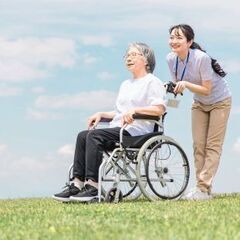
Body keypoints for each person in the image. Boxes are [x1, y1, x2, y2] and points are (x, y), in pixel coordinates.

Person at [53, 42, 166, 203]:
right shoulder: (126, 84)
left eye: (134, 55)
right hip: (119, 128)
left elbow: (159, 109)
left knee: (94, 136)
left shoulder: (152, 81)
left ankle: (93, 186)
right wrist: (102, 114)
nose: (129, 58)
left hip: (137, 132)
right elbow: (120, 112)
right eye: (127, 55)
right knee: (83, 135)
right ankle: (77, 184)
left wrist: (135, 112)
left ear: (146, 60)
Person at [166, 24, 231, 200]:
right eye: (172, 37)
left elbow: (207, 89)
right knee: (198, 146)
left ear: (190, 41)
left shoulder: (201, 58)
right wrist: (171, 88)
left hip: (220, 101)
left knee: (213, 145)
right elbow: (178, 87)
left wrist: (185, 84)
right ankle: (203, 189)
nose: (174, 41)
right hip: (200, 103)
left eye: (179, 37)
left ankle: (202, 187)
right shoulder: (171, 59)